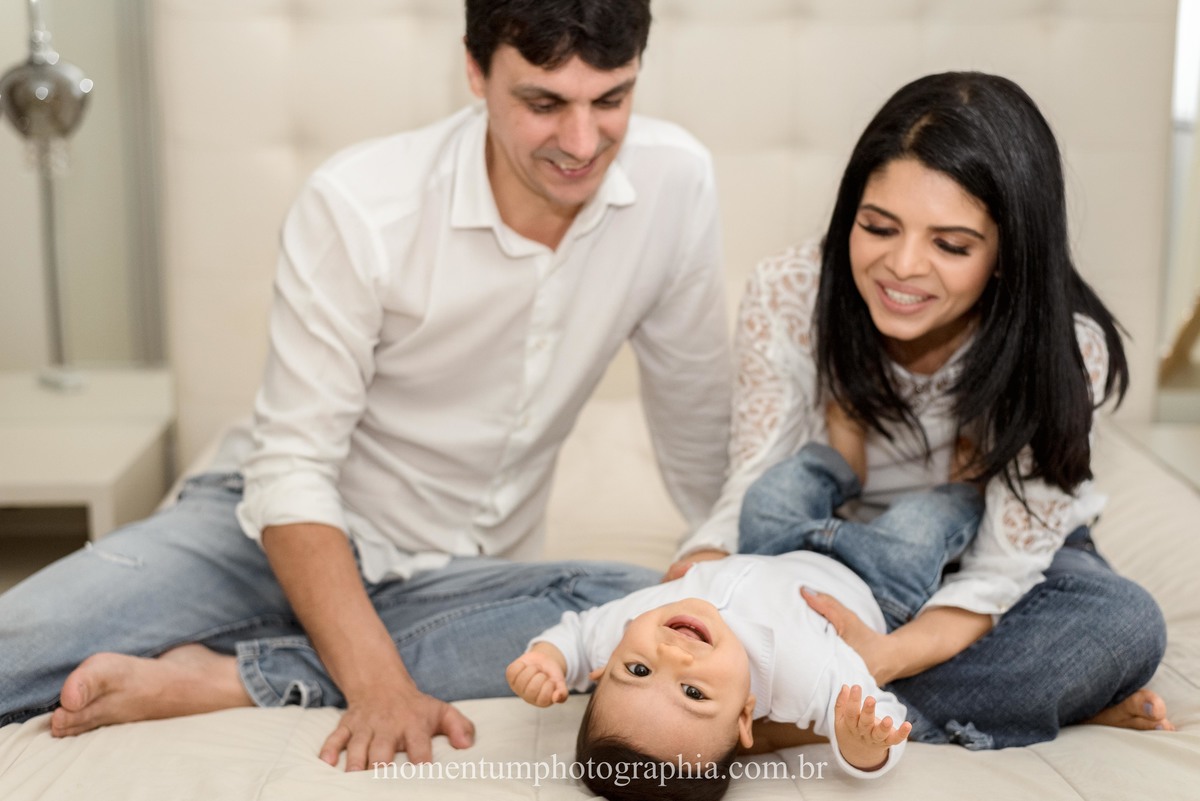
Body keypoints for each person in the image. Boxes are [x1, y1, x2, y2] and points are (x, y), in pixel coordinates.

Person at [0, 0, 733, 772]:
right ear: (475, 71)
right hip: (267, 538)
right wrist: (378, 685)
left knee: (643, 602)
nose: (583, 143)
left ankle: (229, 677)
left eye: (611, 99)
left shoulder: (675, 183)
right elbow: (291, 472)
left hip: (465, 579)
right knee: (22, 648)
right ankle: (331, 646)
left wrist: (736, 573)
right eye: (544, 103)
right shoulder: (360, 203)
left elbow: (698, 427)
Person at [669, 71, 1173, 749]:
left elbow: (1002, 567)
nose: (902, 266)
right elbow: (760, 479)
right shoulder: (790, 292)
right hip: (842, 549)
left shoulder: (1065, 347)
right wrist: (702, 565)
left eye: (951, 245)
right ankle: (1035, 700)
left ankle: (800, 718)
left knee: (1122, 622)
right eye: (878, 227)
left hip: (1003, 552)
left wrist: (886, 657)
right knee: (627, 599)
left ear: (1007, 254)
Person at [506, 552, 914, 800]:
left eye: (638, 670)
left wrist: (547, 659)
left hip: (775, 544)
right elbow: (886, 718)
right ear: (743, 716)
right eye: (693, 693)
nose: (672, 655)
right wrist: (860, 745)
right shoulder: (805, 673)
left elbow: (577, 633)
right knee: (920, 523)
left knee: (777, 491)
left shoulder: (626, 628)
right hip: (867, 576)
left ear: (606, 663)